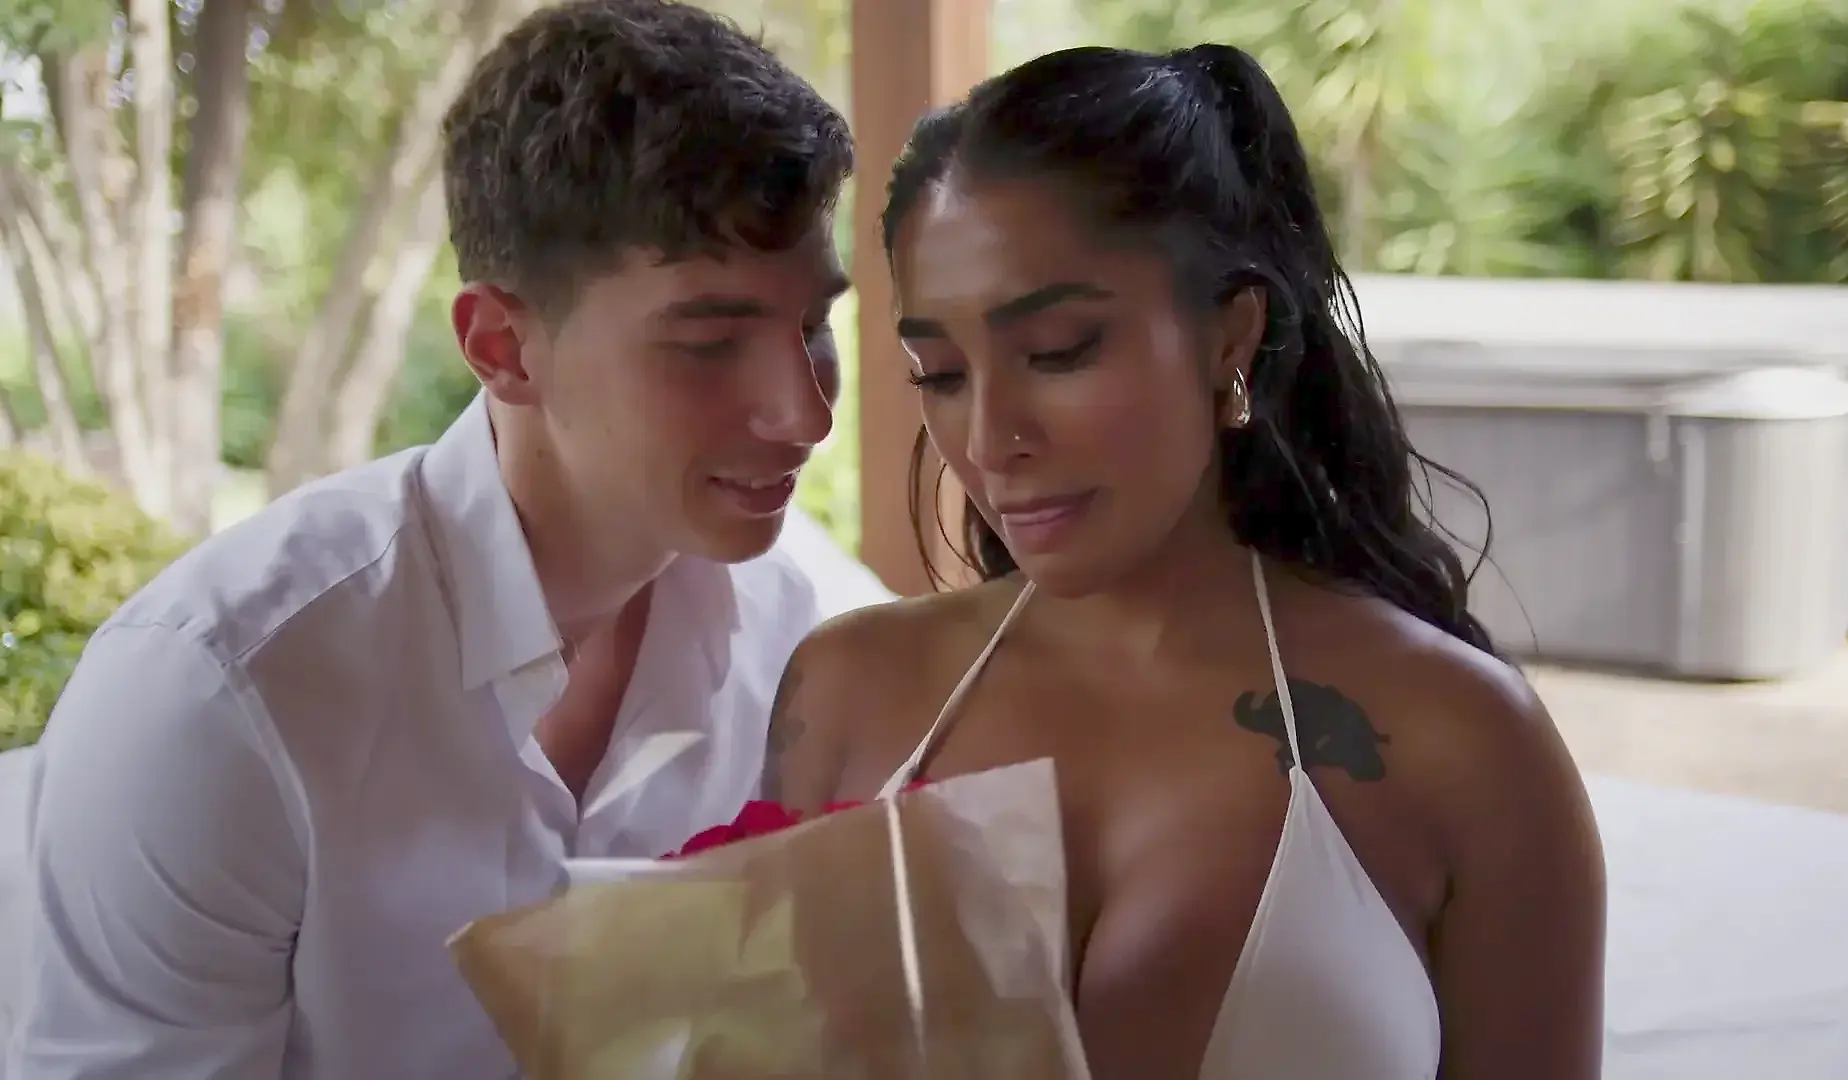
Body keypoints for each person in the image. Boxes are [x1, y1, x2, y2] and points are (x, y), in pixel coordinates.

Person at [5, 2, 861, 1077]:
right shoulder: (223, 699)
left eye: (813, 326)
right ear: (503, 347)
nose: (805, 413)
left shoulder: (814, 643)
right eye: (711, 343)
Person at [764, 43, 1607, 1080]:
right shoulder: (845, 696)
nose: (988, 439)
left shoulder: (1462, 742)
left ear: (1229, 340)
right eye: (938, 372)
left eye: (1059, 350)